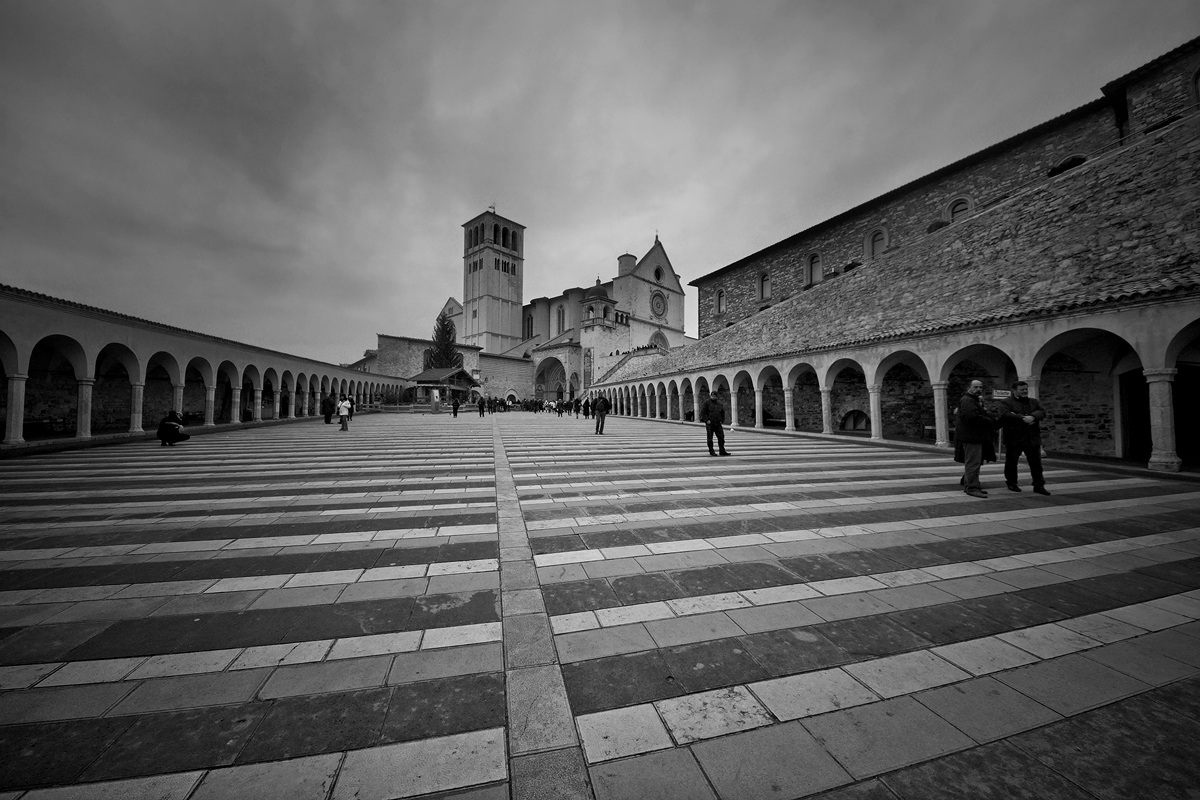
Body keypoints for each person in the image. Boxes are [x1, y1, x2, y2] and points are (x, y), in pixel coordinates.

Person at [999, 381, 1050, 495]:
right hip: (1014, 438)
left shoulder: (1034, 402)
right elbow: (1005, 415)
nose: (1025, 391)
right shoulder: (1006, 402)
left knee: (1036, 463)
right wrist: (1023, 418)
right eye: (1022, 389)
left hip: (1032, 438)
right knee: (1012, 462)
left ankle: (1038, 485)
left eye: (1026, 389)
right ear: (1015, 390)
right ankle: (1012, 482)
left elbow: (1042, 412)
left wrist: (1032, 416)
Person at [956, 380, 996, 498]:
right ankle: (972, 488)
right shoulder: (967, 400)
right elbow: (972, 417)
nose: (978, 389)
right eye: (975, 387)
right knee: (973, 463)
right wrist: (989, 421)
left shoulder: (973, 400)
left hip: (975, 436)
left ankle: (972, 484)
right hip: (971, 436)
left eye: (980, 387)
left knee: (975, 462)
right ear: (969, 388)